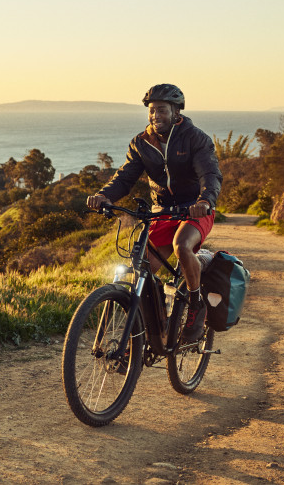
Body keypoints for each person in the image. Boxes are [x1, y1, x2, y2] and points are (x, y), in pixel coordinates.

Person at [86, 84, 222, 344]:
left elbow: (210, 174)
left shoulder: (195, 138)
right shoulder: (141, 143)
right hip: (161, 212)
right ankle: (154, 330)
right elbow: (124, 178)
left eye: (161, 110)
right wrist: (105, 196)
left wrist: (205, 200)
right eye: (151, 111)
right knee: (144, 270)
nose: (155, 115)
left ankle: (196, 304)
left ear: (176, 112)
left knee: (182, 247)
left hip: (194, 209)